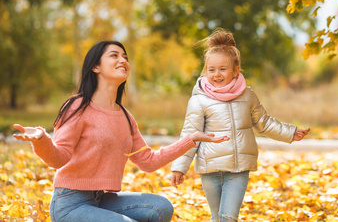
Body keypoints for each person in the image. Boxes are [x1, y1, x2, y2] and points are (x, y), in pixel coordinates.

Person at [13, 40, 229, 222]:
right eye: (114, 55)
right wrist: (41, 139)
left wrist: (191, 139)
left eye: (125, 57)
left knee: (161, 207)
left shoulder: (125, 116)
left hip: (102, 200)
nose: (123, 60)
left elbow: (148, 161)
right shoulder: (78, 106)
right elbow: (59, 159)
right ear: (95, 67)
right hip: (69, 204)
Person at [170, 29, 310, 222]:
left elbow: (264, 122)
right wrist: (179, 167)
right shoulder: (199, 100)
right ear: (205, 71)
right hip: (210, 171)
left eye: (223, 69)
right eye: (211, 70)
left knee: (228, 218)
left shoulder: (247, 96)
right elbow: (189, 136)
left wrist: (290, 133)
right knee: (217, 218)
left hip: (238, 170)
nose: (216, 74)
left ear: (236, 70)